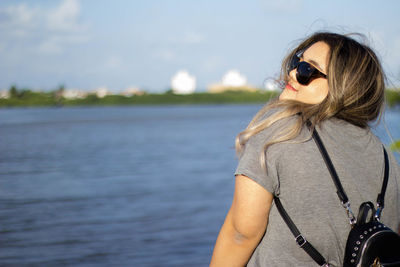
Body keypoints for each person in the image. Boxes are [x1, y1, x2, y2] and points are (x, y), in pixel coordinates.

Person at [210, 32, 400, 267]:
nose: (292, 73)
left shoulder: (279, 134)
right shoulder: (386, 156)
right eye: (296, 63)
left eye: (307, 71)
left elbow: (241, 234)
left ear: (343, 87)